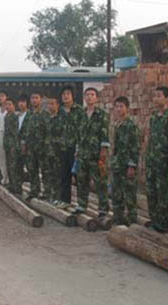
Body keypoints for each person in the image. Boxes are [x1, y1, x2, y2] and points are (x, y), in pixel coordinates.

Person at [75, 88, 110, 217]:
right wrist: (77, 150)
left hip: (96, 154)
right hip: (83, 153)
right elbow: (78, 134)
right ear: (84, 97)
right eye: (87, 95)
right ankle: (82, 205)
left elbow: (104, 134)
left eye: (92, 95)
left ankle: (103, 209)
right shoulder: (81, 114)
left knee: (100, 182)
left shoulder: (101, 114)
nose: (89, 97)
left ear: (96, 98)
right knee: (82, 180)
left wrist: (103, 151)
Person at [146, 87, 168, 233]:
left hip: (163, 160)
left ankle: (164, 222)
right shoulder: (154, 117)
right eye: (154, 96)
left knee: (163, 192)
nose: (156, 99)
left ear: (166, 98)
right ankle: (154, 220)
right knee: (151, 191)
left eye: (159, 96)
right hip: (152, 159)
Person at [111, 96, 139, 226]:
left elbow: (135, 146)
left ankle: (132, 222)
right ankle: (118, 220)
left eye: (121, 106)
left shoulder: (130, 125)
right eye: (116, 106)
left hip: (126, 165)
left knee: (129, 195)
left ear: (127, 108)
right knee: (116, 194)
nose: (118, 109)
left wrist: (132, 165)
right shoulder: (115, 124)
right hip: (116, 164)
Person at [59, 86, 84, 208]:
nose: (65, 96)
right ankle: (65, 200)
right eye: (63, 94)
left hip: (75, 148)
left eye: (68, 93)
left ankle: (81, 203)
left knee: (78, 177)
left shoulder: (79, 110)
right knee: (64, 175)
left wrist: (79, 147)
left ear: (73, 96)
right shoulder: (60, 111)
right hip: (63, 147)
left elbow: (83, 130)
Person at [23, 92, 48, 200]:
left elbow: (48, 131)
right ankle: (34, 190)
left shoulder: (45, 114)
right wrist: (25, 144)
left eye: (36, 98)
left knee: (45, 170)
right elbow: (25, 130)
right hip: (31, 147)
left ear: (41, 100)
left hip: (42, 147)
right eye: (32, 98)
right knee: (32, 170)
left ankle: (47, 192)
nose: (34, 100)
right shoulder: (29, 114)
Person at [45, 96, 64, 205]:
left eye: (52, 103)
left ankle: (58, 196)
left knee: (58, 175)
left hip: (58, 151)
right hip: (47, 150)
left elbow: (63, 135)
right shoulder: (46, 118)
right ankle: (50, 194)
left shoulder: (61, 119)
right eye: (49, 104)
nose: (50, 106)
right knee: (48, 173)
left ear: (57, 105)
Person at [4, 98, 22, 194]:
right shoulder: (7, 116)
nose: (7, 106)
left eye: (10, 104)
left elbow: (15, 133)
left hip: (13, 145)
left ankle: (17, 186)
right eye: (6, 104)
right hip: (7, 143)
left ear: (14, 106)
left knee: (15, 166)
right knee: (9, 165)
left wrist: (13, 146)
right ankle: (11, 184)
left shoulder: (15, 117)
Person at [0, 91, 9, 185]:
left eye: (2, 96)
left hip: (7, 134)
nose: (1, 98)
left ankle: (9, 178)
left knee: (8, 157)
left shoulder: (9, 109)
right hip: (0, 132)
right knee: (0, 156)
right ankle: (4, 177)